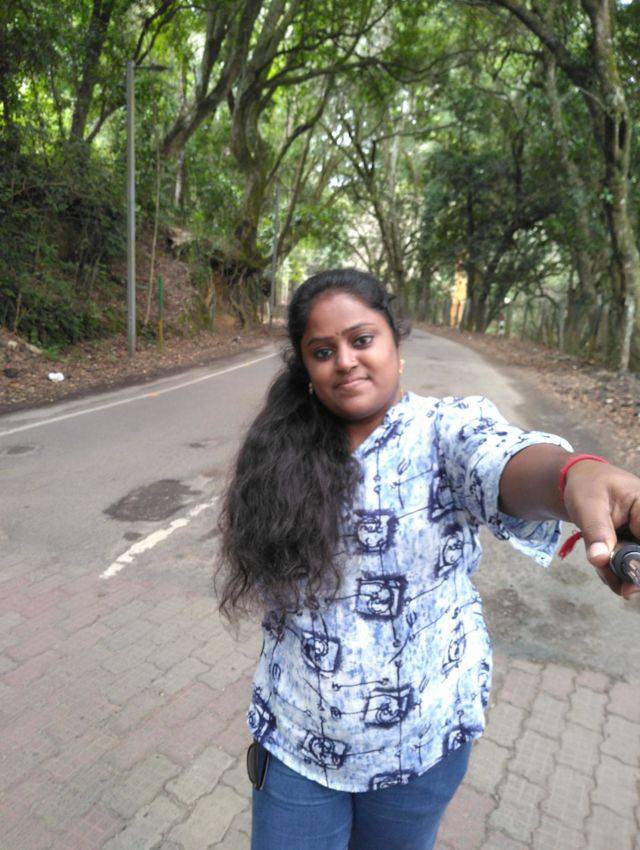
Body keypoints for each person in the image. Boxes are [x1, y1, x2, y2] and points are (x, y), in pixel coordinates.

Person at [216, 268, 640, 850]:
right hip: (297, 743)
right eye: (323, 351)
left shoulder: (444, 430)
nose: (345, 361)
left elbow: (502, 459)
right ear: (307, 370)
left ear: (395, 343)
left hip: (419, 745)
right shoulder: (279, 453)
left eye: (362, 339)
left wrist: (575, 477)